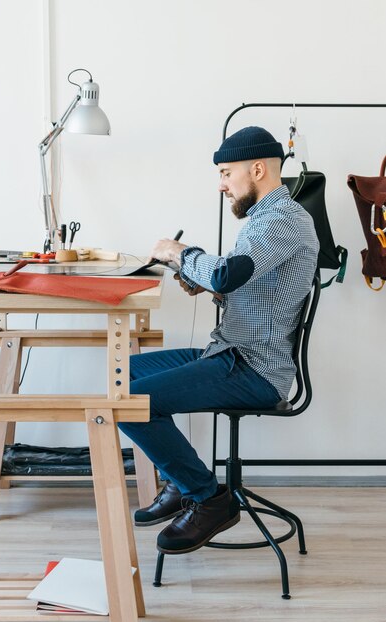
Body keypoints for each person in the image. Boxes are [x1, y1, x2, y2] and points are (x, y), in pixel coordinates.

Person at [118, 126, 319, 556]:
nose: (221, 185)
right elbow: (240, 285)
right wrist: (207, 285)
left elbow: (229, 272)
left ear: (259, 169)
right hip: (227, 352)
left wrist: (180, 253)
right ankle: (182, 482)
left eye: (227, 173)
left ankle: (208, 497)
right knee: (122, 375)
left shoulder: (285, 221)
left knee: (129, 400)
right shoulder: (263, 220)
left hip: (253, 369)